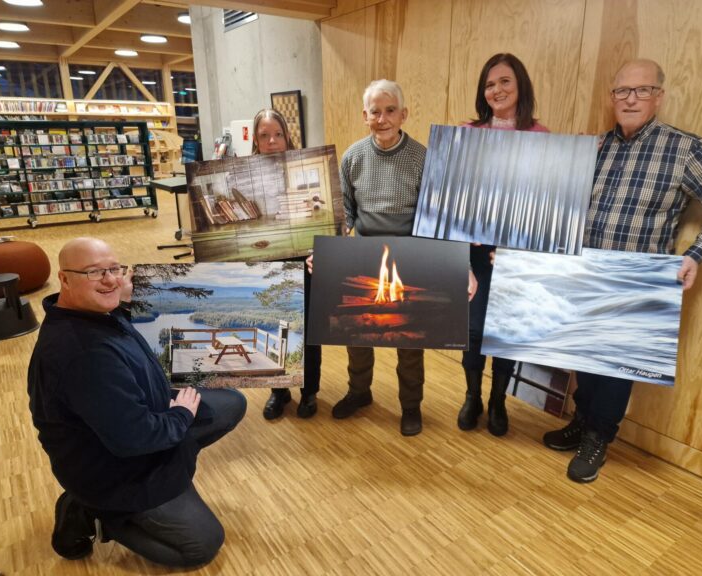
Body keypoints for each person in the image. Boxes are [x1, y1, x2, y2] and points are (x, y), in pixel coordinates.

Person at [542, 59, 702, 483]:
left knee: (618, 369)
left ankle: (599, 438)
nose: (631, 99)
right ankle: (583, 421)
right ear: (612, 97)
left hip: (638, 280)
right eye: (622, 91)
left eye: (642, 90)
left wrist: (696, 253)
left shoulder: (683, 149)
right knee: (583, 358)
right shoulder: (596, 147)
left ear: (659, 95)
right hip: (586, 273)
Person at [28, 237, 247, 567]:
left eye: (114, 268)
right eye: (94, 272)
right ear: (64, 279)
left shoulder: (85, 314)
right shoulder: (85, 356)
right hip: (116, 471)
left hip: (140, 417)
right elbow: (134, 438)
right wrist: (180, 416)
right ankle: (98, 512)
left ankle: (171, 454)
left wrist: (122, 301)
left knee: (230, 403)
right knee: (201, 546)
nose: (111, 279)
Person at [458, 53, 550, 437]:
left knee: (508, 329)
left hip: (517, 252)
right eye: (490, 84)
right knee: (474, 329)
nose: (497, 90)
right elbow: (453, 196)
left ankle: (498, 401)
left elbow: (546, 201)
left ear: (520, 85)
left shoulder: (541, 137)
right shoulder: (467, 132)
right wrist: (457, 256)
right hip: (474, 250)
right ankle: (473, 396)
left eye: (505, 82)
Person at [333, 79, 428, 436]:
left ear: (403, 114)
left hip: (410, 255)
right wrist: (338, 242)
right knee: (358, 332)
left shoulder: (422, 157)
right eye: (375, 111)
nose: (383, 118)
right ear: (365, 115)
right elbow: (345, 209)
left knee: (409, 340)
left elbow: (430, 214)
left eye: (390, 111)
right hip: (363, 254)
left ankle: (410, 406)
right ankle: (359, 392)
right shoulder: (352, 157)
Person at [251, 108, 323, 420]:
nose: (272, 141)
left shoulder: (305, 167)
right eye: (264, 135)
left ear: (287, 136)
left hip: (303, 259)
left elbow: (322, 211)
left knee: (308, 328)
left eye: (278, 134)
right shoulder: (247, 171)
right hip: (266, 260)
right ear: (255, 139)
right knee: (274, 327)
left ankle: (309, 392)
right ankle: (279, 391)